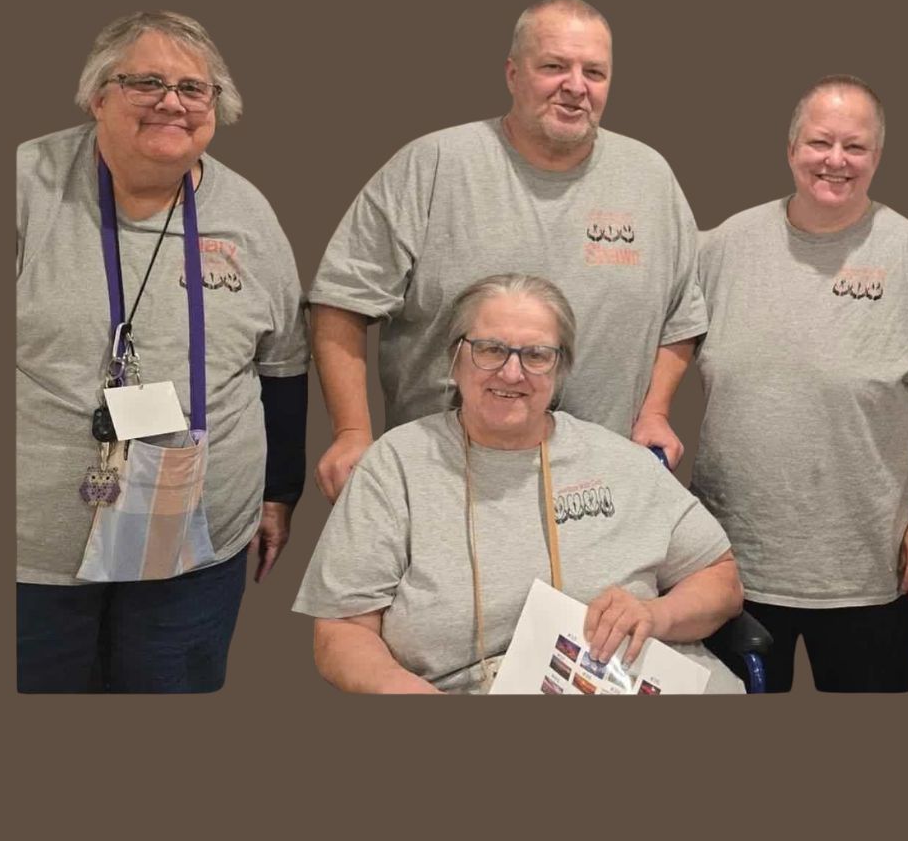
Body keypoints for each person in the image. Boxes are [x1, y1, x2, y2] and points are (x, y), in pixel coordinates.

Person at [307, 0, 706, 504]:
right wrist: (350, 433)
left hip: (597, 489)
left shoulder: (650, 178)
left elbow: (682, 317)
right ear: (513, 73)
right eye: (554, 66)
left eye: (595, 72)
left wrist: (654, 412)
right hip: (446, 480)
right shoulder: (433, 167)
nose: (576, 86)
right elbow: (341, 301)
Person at [16, 11, 308, 692]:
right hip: (33, 554)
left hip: (194, 546)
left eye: (192, 88)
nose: (171, 101)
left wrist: (279, 494)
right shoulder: (27, 188)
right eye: (144, 81)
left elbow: (283, 367)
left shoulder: (250, 214)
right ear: (98, 96)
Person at [294, 274, 743, 692]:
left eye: (536, 355)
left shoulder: (620, 461)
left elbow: (722, 580)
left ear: (560, 368)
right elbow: (341, 631)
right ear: (455, 356)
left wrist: (655, 614)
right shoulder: (395, 467)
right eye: (490, 349)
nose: (512, 373)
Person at [691, 77, 908, 692]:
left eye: (856, 147)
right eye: (820, 142)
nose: (835, 161)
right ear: (791, 147)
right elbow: (664, 343)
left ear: (877, 157)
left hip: (868, 570)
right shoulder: (721, 248)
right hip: (729, 564)